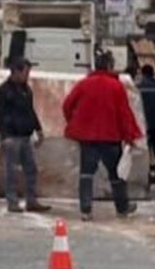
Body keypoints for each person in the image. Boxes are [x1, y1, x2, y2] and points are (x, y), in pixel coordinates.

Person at [61, 50, 142, 221]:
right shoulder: (116, 86)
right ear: (109, 66)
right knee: (117, 175)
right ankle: (122, 208)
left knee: (86, 174)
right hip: (111, 139)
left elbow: (67, 105)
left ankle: (86, 210)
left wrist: (75, 123)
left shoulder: (84, 84)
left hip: (88, 139)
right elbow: (124, 114)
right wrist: (130, 136)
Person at [0, 57, 51, 213]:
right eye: (25, 72)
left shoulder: (26, 90)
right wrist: (5, 135)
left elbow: (30, 111)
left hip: (26, 136)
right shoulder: (3, 92)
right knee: (11, 170)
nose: (27, 76)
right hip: (11, 136)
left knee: (31, 169)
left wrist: (38, 129)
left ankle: (31, 200)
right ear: (16, 72)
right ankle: (12, 201)